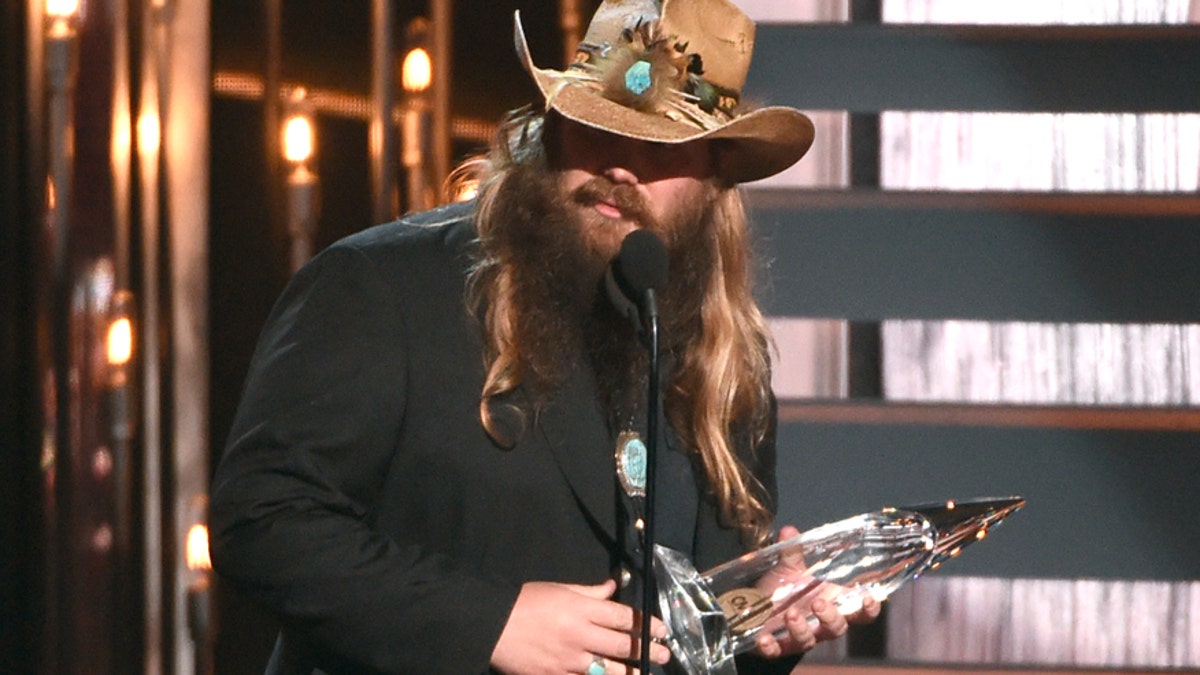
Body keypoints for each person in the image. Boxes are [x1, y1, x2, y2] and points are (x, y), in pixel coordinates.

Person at [209, 0, 879, 673]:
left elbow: (692, 633)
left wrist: (763, 617)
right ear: (554, 127)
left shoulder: (725, 355)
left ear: (714, 175)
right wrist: (490, 623)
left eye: (662, 147)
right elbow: (261, 521)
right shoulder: (381, 286)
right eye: (600, 129)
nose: (622, 166)